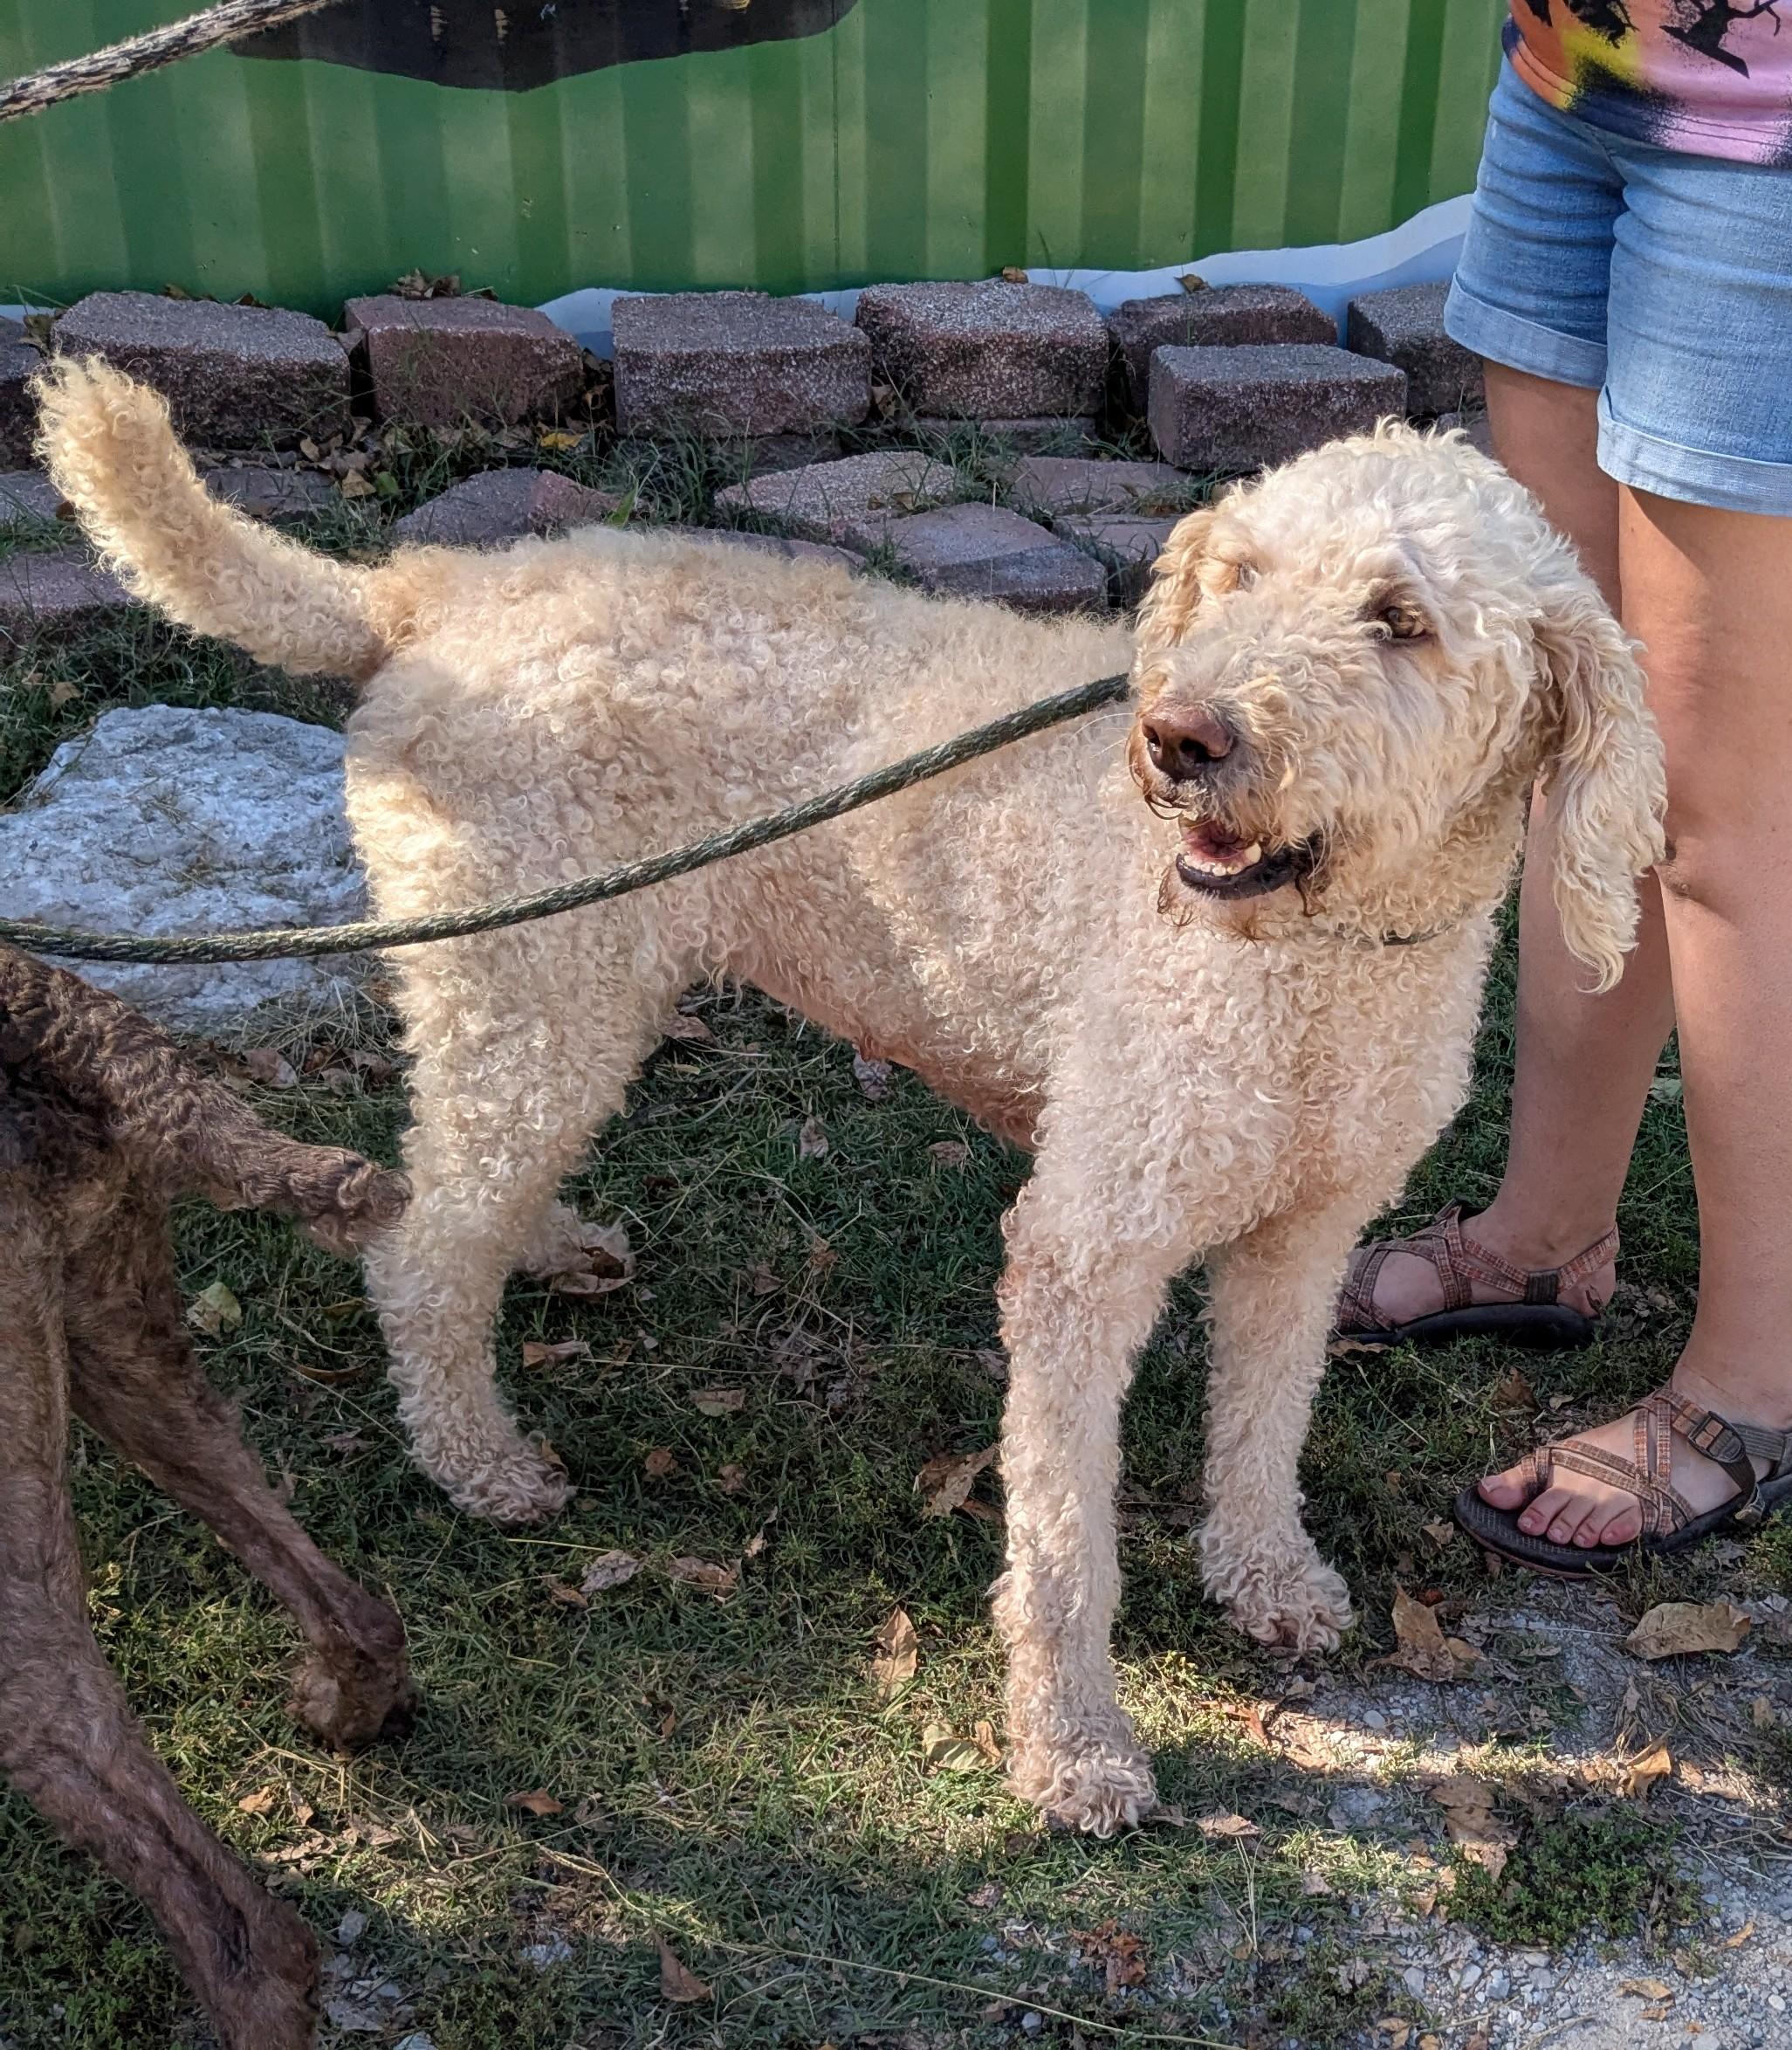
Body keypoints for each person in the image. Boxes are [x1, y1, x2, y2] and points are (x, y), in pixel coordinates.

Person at [1333, 0, 1792, 1572]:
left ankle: (1755, 1385)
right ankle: (1543, 1235)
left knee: (1724, 822)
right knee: (1581, 739)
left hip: (1770, 143)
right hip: (1573, 74)